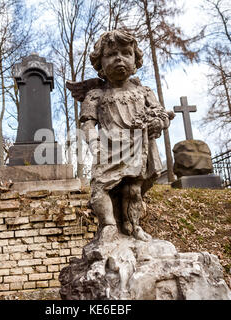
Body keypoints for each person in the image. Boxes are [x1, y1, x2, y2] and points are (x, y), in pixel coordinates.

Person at [67, 29, 173, 241]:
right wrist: (94, 142)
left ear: (135, 60)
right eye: (111, 54)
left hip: (138, 148)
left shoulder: (143, 92)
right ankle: (108, 224)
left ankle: (133, 226)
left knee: (133, 191)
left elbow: (162, 115)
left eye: (126, 53)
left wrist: (158, 123)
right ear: (100, 63)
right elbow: (88, 123)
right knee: (99, 189)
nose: (119, 59)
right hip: (108, 148)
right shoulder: (95, 95)